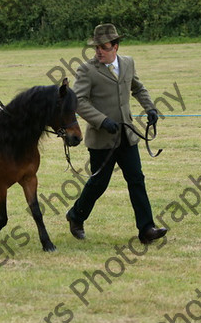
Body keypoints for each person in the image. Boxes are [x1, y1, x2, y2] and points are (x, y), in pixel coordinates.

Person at [65, 23, 167, 245]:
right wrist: (101, 120)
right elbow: (78, 101)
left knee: (136, 179)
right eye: (96, 47)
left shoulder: (128, 63)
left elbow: (137, 88)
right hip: (102, 139)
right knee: (99, 184)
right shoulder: (87, 69)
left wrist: (150, 108)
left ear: (116, 47)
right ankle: (75, 216)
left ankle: (146, 229)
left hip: (127, 136)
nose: (99, 51)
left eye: (104, 47)